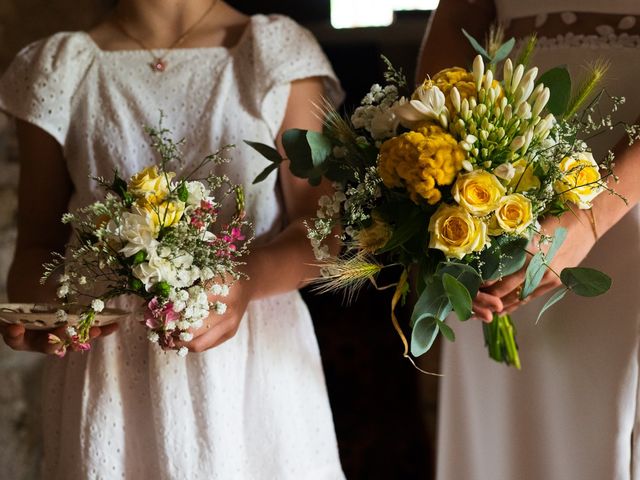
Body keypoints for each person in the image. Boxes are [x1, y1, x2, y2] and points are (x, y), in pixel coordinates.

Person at [0, 1, 346, 478]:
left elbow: (321, 231)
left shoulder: (272, 51)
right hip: (111, 378)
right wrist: (50, 313)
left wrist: (245, 280)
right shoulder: (61, 67)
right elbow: (34, 252)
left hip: (252, 370)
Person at [418, 1, 640, 479]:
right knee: (505, 432)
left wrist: (589, 220)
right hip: (499, 185)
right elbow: (456, 30)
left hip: (631, 204)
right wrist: (443, 180)